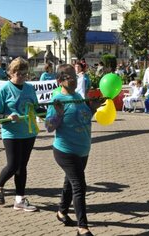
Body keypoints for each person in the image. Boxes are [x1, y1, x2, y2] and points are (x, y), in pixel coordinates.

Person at [45, 64, 105, 236]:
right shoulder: (57, 99)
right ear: (60, 81)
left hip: (83, 150)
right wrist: (58, 114)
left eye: (74, 76)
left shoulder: (78, 96)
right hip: (65, 151)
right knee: (79, 186)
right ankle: (82, 227)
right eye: (69, 77)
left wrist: (92, 108)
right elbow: (49, 127)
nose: (73, 79)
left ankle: (61, 211)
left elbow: (84, 118)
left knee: (69, 184)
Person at [0, 57, 41, 211]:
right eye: (18, 73)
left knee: (22, 166)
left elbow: (37, 109)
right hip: (11, 134)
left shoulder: (30, 88)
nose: (22, 77)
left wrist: (52, 110)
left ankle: (19, 199)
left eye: (24, 74)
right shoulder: (4, 90)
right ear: (11, 73)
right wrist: (6, 118)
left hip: (28, 132)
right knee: (13, 165)